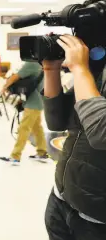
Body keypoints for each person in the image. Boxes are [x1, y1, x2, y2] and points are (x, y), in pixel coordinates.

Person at [43, 35, 106, 239]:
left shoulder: (86, 70)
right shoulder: (98, 70)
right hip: (63, 196)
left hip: (96, 216)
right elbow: (58, 121)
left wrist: (79, 69)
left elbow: (100, 133)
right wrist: (51, 70)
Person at [0, 61, 48, 165]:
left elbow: (15, 77)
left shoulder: (32, 64)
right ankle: (42, 152)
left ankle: (15, 156)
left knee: (24, 128)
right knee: (37, 128)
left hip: (33, 103)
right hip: (37, 100)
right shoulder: (39, 64)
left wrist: (4, 87)